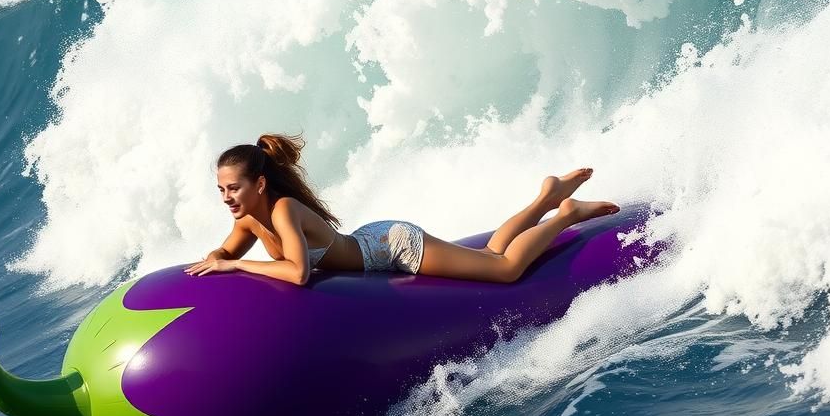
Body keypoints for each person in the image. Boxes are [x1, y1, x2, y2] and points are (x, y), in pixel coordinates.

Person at [184, 132, 619, 286]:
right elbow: (224, 252)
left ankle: (566, 213)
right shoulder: (249, 221)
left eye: (234, 188)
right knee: (489, 253)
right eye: (221, 190)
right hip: (371, 243)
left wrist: (235, 266)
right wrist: (219, 258)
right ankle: (545, 196)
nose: (227, 197)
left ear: (259, 184)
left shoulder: (283, 210)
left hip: (391, 248)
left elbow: (298, 273)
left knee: (505, 269)